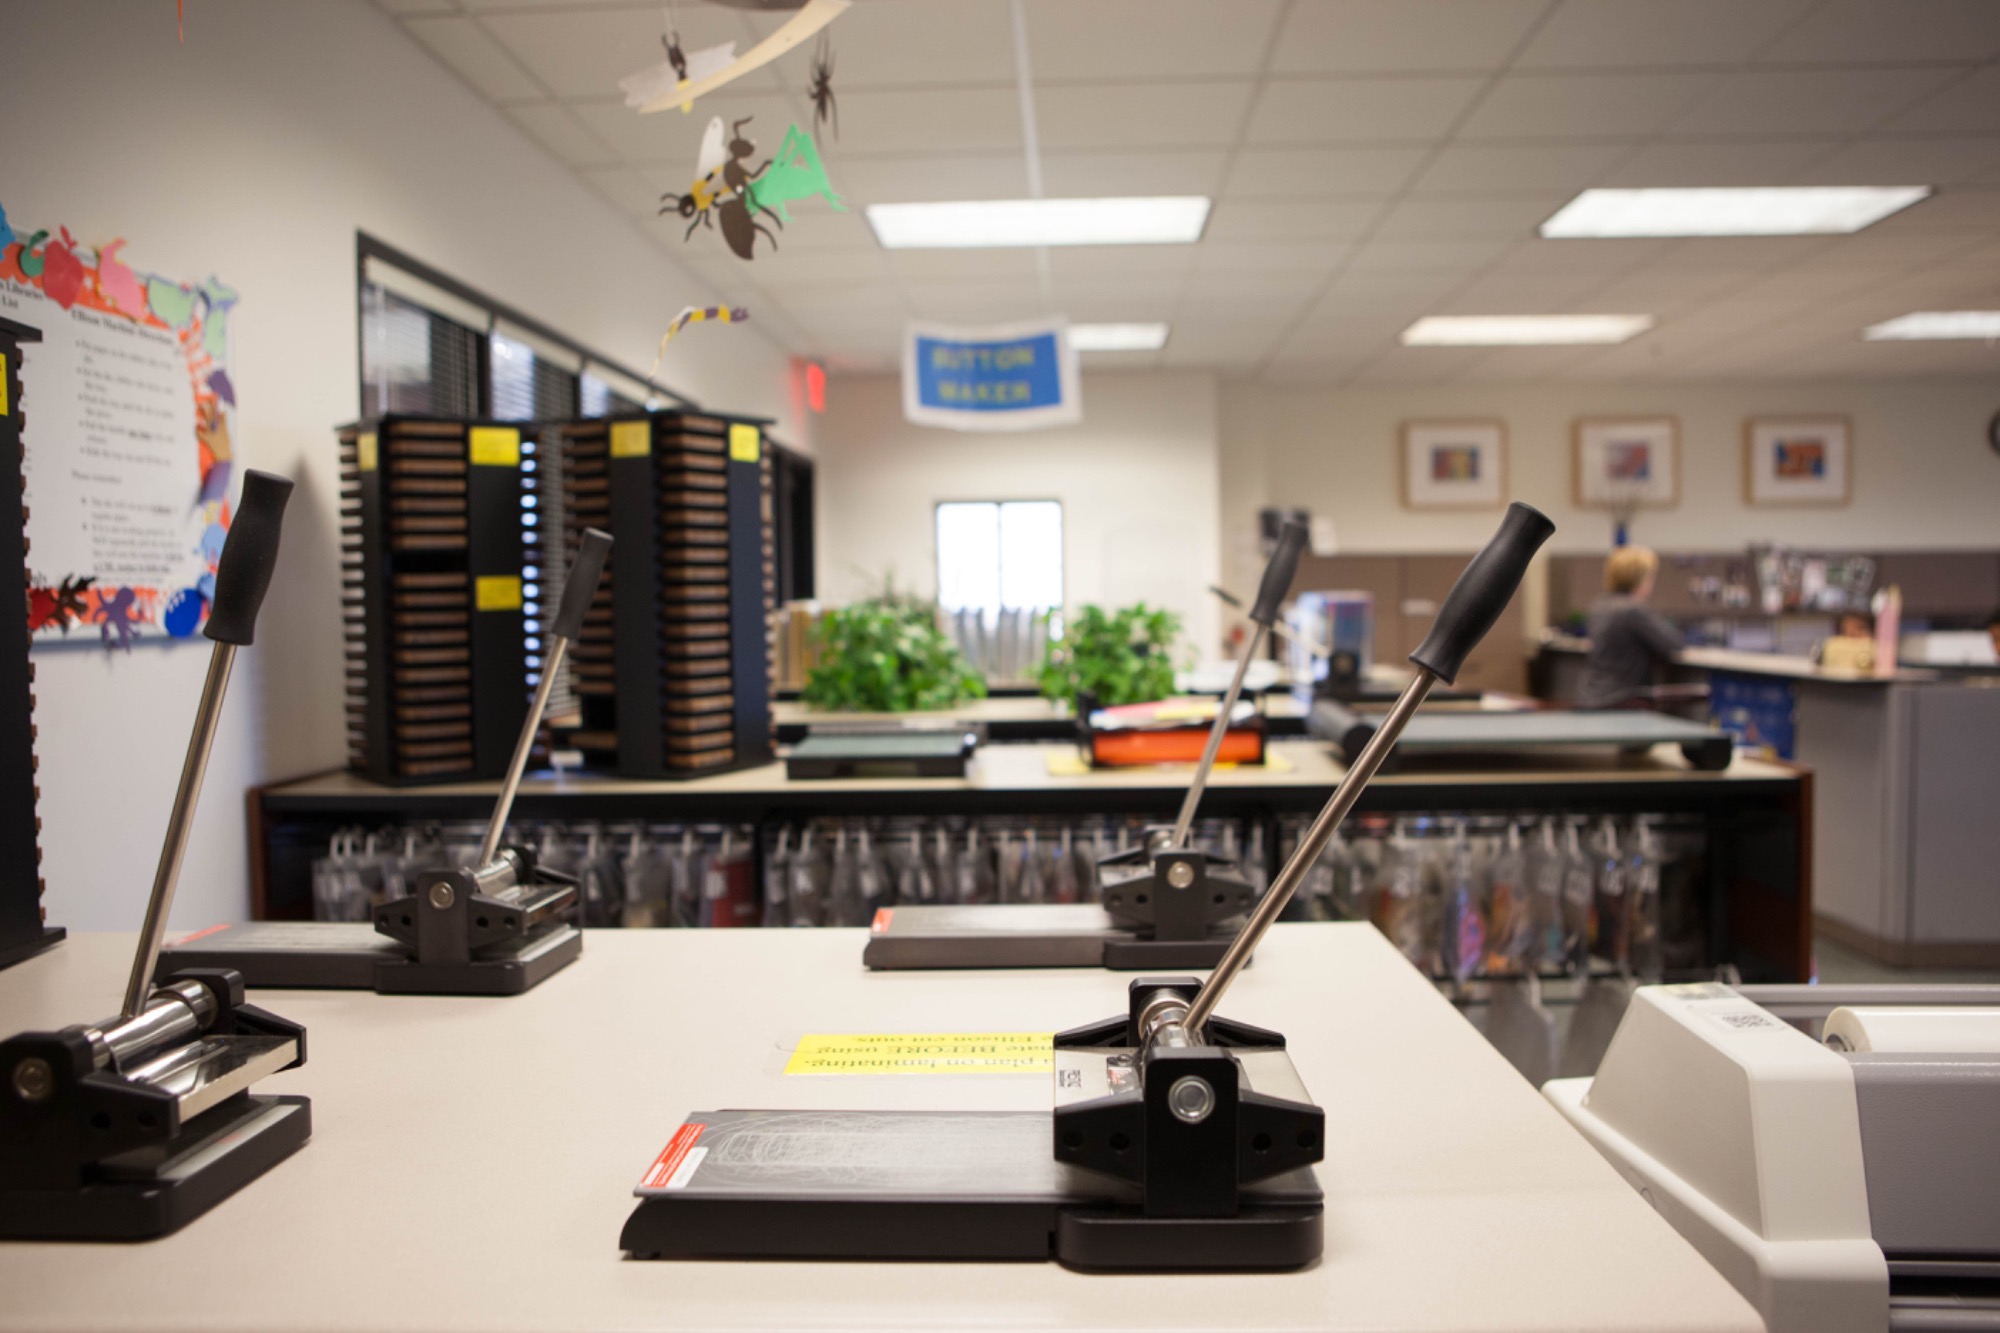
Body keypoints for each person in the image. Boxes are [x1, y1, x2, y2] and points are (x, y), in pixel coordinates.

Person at [1577, 546, 1683, 709]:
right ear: (1639, 579)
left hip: (1593, 697)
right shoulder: (1633, 611)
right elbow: (1673, 644)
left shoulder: (1600, 606)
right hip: (1621, 702)